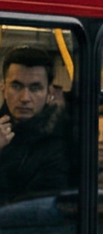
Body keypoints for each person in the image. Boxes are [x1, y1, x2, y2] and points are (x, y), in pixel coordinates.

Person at [0, 46, 71, 201]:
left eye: (35, 88)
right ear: (3, 89)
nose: (25, 97)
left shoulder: (59, 141)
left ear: (49, 94)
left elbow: (36, 208)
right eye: (16, 86)